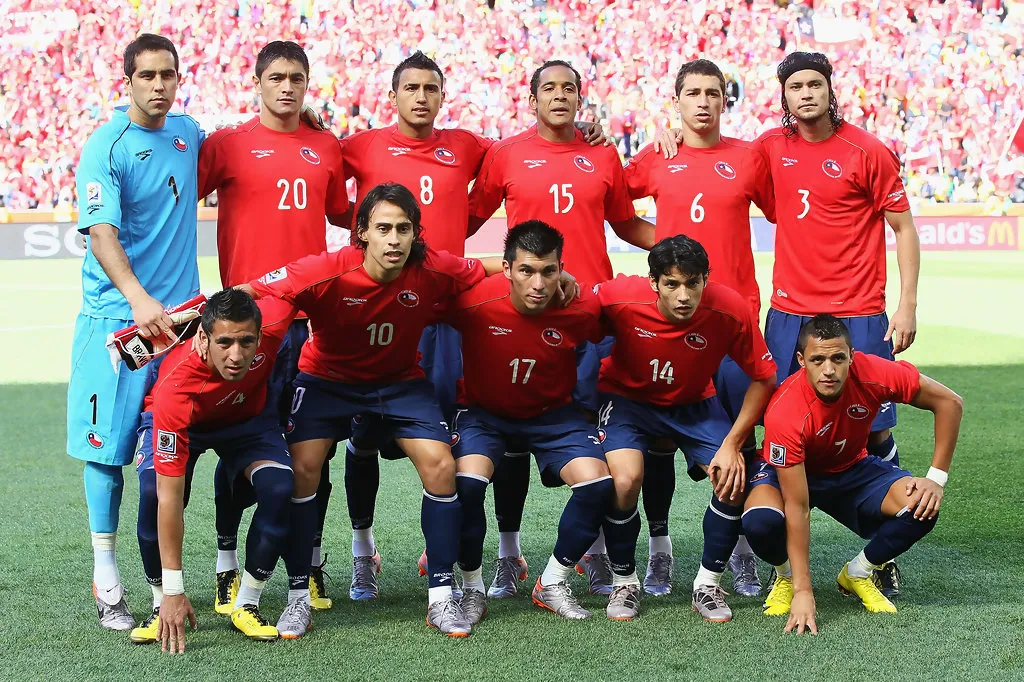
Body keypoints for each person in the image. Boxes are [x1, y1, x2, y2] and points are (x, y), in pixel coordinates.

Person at [338, 52, 607, 602]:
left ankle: (474, 545)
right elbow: (317, 166)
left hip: (442, 312)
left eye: (430, 88)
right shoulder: (360, 145)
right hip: (381, 309)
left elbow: (534, 145)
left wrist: (587, 128)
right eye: (409, 87)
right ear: (393, 96)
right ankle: (363, 552)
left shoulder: (470, 146)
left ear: (443, 95)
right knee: (362, 439)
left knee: (453, 433)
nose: (420, 96)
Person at [241, 183, 560, 637]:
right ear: (363, 233)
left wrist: (549, 277)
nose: (394, 239)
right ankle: (297, 596)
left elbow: (484, 266)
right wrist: (183, 321)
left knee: (441, 465)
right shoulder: (326, 270)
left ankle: (442, 596)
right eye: (384, 228)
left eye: (404, 229)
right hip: (328, 381)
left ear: (416, 234)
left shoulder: (430, 267)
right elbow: (250, 290)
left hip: (398, 384)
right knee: (304, 468)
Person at [467, 59, 655, 596]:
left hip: (590, 318)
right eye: (548, 88)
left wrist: (679, 247)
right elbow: (468, 220)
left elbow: (625, 223)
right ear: (532, 99)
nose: (559, 95)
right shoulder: (505, 153)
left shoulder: (602, 152)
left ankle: (593, 554)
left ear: (580, 97)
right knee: (514, 437)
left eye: (568, 88)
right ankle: (510, 553)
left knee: (594, 436)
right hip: (526, 313)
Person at [751, 51, 922, 596]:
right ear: (784, 94)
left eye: (815, 84)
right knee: (781, 424)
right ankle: (776, 556)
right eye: (796, 85)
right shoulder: (769, 149)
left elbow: (904, 228)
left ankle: (877, 554)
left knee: (877, 428)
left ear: (830, 89)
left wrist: (907, 304)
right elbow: (719, 162)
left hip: (858, 311)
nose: (806, 93)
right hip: (789, 313)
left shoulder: (866, 151)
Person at [197, 39, 349, 615]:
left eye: (297, 78)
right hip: (243, 330)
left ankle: (307, 564)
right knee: (240, 446)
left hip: (309, 325)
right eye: (277, 77)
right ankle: (225, 563)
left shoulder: (324, 145)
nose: (287, 87)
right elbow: (178, 178)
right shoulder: (227, 145)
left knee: (311, 450)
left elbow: (341, 211)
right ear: (257, 82)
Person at [624, 58, 775, 599]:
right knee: (661, 438)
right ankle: (660, 553)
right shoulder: (658, 156)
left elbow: (784, 212)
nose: (705, 102)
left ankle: (741, 551)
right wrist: (665, 251)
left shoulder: (749, 157)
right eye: (694, 93)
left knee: (743, 435)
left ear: (724, 100)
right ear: (678, 101)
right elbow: (617, 209)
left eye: (714, 93)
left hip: (732, 320)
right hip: (670, 318)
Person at [70, 33, 203, 631]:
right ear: (128, 81)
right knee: (107, 449)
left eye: (167, 75)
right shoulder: (106, 146)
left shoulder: (189, 135)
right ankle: (106, 574)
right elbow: (102, 234)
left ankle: (167, 581)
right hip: (117, 322)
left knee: (166, 455)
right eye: (147, 75)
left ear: (178, 79)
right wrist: (138, 298)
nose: (158, 85)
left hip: (179, 327)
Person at [595, 235, 777, 622]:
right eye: (672, 284)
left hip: (695, 404)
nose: (683, 295)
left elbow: (764, 377)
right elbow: (573, 308)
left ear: (705, 281)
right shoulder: (618, 296)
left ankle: (707, 584)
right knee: (625, 481)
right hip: (629, 402)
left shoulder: (730, 310)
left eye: (692, 283)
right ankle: (624, 582)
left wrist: (733, 443)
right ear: (653, 282)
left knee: (733, 476)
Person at [743, 315, 962, 634]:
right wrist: (805, 591)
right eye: (818, 359)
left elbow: (950, 402)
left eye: (838, 358)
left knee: (923, 505)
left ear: (852, 356)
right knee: (760, 521)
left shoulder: (874, 373)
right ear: (802, 360)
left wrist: (936, 478)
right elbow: (798, 507)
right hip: (791, 475)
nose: (828, 370)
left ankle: (858, 572)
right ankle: (787, 576)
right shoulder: (785, 411)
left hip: (850, 469)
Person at [447, 221, 614, 623]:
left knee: (599, 485)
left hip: (553, 417)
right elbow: (425, 284)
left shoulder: (580, 307)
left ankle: (552, 581)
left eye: (548, 271)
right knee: (466, 486)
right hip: (484, 415)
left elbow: (611, 327)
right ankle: (471, 588)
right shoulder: (472, 302)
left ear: (561, 269)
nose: (538, 283)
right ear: (506, 269)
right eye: (526, 271)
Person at [131, 290, 299, 650]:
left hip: (246, 422)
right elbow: (170, 498)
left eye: (245, 342)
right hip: (184, 425)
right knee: (152, 495)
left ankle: (248, 603)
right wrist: (175, 591)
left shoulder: (274, 324)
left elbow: (301, 281)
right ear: (203, 338)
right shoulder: (175, 388)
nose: (236, 355)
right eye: (224, 342)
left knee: (280, 487)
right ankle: (161, 603)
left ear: (259, 333)